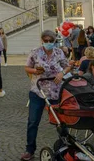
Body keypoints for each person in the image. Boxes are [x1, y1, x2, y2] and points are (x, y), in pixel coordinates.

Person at [22, 30, 72, 161]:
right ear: (42, 41)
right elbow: (27, 67)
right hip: (38, 91)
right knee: (33, 121)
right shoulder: (35, 52)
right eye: (46, 41)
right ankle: (30, 150)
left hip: (55, 91)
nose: (48, 43)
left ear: (54, 41)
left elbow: (67, 66)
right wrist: (35, 71)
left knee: (60, 121)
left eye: (51, 41)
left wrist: (62, 73)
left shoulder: (59, 52)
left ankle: (64, 147)